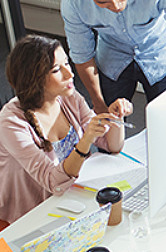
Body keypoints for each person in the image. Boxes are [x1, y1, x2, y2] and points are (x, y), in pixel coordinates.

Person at [0, 35, 133, 228]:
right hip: (32, 212)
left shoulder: (69, 97)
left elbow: (111, 145)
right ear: (33, 79)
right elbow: (52, 182)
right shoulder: (11, 122)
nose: (69, 74)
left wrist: (116, 118)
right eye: (57, 70)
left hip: (72, 195)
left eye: (67, 64)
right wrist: (85, 141)